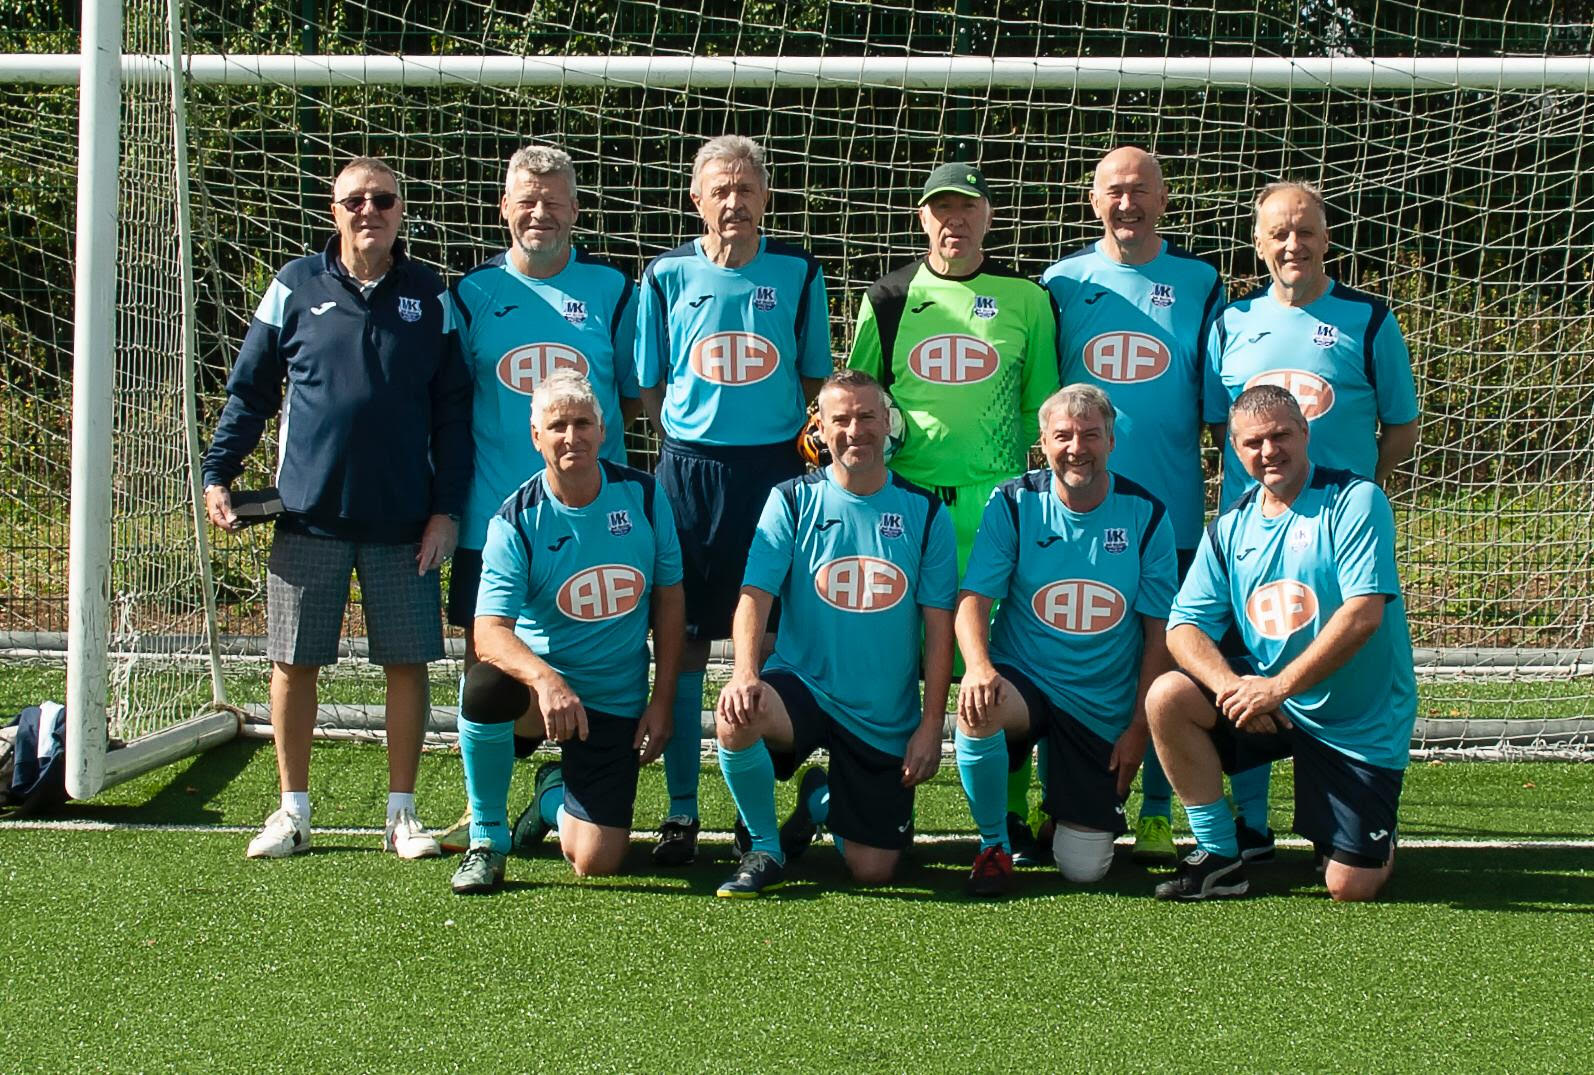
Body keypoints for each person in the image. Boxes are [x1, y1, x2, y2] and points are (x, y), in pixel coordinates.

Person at [201, 156, 470, 860]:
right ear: (334, 211)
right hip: (307, 517)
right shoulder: (293, 285)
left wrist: (447, 511)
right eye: (355, 200)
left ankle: (402, 814)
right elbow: (251, 391)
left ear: (401, 211)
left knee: (408, 663)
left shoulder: (430, 296)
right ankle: (292, 811)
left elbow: (452, 413)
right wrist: (218, 472)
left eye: (383, 199)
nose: (369, 211)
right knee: (294, 662)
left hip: (403, 523)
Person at [847, 162, 1059, 851]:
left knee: (992, 668)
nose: (954, 222)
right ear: (922, 217)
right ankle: (877, 797)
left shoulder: (1026, 298)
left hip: (995, 510)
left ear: (989, 216)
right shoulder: (887, 297)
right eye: (941, 208)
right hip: (905, 513)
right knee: (887, 666)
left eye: (967, 208)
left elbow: (1043, 409)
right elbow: (857, 402)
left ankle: (1012, 816)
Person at [1203, 181, 1419, 854]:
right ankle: (1251, 824)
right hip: (1256, 540)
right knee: (1252, 655)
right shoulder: (1230, 324)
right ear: (1258, 243)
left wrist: (1352, 497)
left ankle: (1349, 809)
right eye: (1278, 233)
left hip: (1336, 540)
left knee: (1343, 658)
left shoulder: (1369, 320)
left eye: (1305, 231)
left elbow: (1403, 426)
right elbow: (1221, 424)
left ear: (1327, 238)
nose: (1292, 244)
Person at [635, 135, 833, 865]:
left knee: (771, 640)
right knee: (683, 639)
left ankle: (760, 812)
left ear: (766, 199)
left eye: (746, 189)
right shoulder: (663, 275)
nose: (734, 202)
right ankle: (682, 811)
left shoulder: (799, 271)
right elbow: (649, 386)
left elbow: (816, 382)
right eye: (719, 189)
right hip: (689, 476)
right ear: (697, 199)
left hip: (775, 476)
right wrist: (692, 437)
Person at [441, 145, 641, 852]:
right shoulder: (469, 295)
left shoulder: (616, 290)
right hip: (493, 525)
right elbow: (447, 402)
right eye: (527, 198)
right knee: (491, 677)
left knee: (598, 663)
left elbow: (642, 398)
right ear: (503, 207)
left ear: (577, 210)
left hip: (594, 528)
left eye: (554, 199)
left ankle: (573, 790)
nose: (540, 212)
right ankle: (485, 817)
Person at [1146, 385, 1415, 902]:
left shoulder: (1355, 501)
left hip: (1355, 721)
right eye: (1252, 443)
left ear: (1305, 433)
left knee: (1350, 886)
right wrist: (1232, 688)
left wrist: (1278, 689)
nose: (1268, 451)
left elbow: (1363, 616)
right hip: (1271, 699)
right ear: (1236, 450)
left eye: (1280, 436)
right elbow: (1182, 627)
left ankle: (1372, 835)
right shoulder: (1230, 527)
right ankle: (1220, 856)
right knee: (1168, 696)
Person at [1041, 146, 1224, 866]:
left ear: (1164, 199)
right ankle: (1039, 795)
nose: (1128, 203)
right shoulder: (1059, 283)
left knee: (1161, 662)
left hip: (1170, 515)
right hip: (1079, 514)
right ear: (1093, 201)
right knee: (1063, 649)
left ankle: (1154, 811)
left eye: (1141, 190)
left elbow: (1217, 412)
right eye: (1114, 191)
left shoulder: (1200, 282)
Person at [713, 370, 957, 897]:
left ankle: (819, 804)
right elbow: (754, 596)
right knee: (738, 712)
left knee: (875, 871)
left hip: (881, 714)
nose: (855, 430)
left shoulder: (927, 512)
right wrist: (745, 673)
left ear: (888, 423)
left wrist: (932, 723)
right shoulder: (791, 500)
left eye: (867, 416)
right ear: (820, 429)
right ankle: (764, 846)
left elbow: (940, 628)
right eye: (841, 419)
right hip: (802, 685)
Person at [449, 371, 685, 894]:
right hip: (540, 700)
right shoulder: (514, 520)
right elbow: (487, 633)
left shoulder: (644, 497)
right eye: (557, 426)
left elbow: (670, 598)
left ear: (603, 431)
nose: (571, 436)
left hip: (614, 702)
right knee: (484, 685)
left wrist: (662, 698)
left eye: (583, 423)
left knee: (597, 861)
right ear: (536, 437)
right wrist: (547, 680)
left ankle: (551, 796)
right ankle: (487, 840)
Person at [954, 385, 1176, 896]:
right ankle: (993, 845)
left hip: (1100, 701)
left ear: (1112, 441)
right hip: (1024, 680)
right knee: (978, 706)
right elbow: (973, 600)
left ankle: (1060, 813)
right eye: (1064, 436)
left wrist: (1139, 725)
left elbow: (1157, 631)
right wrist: (979, 668)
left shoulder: (1147, 514)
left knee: (1084, 867)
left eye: (1091, 435)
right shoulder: (1013, 502)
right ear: (1043, 443)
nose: (1078, 447)